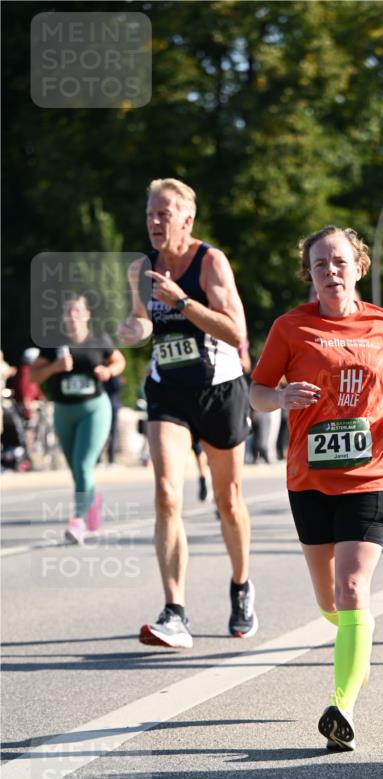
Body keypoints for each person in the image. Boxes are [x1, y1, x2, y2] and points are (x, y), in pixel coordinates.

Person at [249, 225, 383, 750]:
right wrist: (280, 398)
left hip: (371, 473)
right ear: (310, 273)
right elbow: (256, 392)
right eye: (320, 264)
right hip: (310, 478)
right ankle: (356, 636)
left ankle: (342, 707)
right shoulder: (290, 328)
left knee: (351, 588)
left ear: (358, 267)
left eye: (339, 261)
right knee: (331, 603)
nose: (331, 271)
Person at [117, 178, 257, 648]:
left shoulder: (210, 262)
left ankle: (241, 586)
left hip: (218, 389)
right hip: (168, 391)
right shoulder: (140, 268)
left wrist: (182, 301)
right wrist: (134, 330)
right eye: (149, 214)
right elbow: (142, 321)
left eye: (163, 213)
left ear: (186, 219)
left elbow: (236, 330)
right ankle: (175, 610)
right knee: (165, 493)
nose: (154, 222)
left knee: (228, 500)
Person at [29, 295, 126, 542]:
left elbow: (119, 361)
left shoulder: (99, 340)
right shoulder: (54, 343)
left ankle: (78, 520)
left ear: (87, 314)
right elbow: (32, 376)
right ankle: (92, 502)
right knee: (76, 468)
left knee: (83, 465)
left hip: (94, 408)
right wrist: (54, 368)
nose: (72, 316)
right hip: (64, 410)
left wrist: (108, 370)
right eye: (68, 311)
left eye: (77, 311)